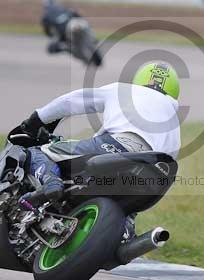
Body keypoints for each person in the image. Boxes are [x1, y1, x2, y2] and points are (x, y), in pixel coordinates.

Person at [10, 61, 181, 214]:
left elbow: (72, 101)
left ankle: (51, 183)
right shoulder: (174, 121)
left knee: (37, 153)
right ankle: (126, 232)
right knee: (127, 212)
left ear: (140, 79)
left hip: (116, 146)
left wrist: (36, 119)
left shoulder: (123, 89)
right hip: (157, 174)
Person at [41, 0, 102, 65]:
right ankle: (93, 39)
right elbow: (78, 15)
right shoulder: (64, 9)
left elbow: (47, 32)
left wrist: (55, 39)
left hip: (68, 30)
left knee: (74, 49)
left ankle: (86, 59)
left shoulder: (45, 16)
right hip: (77, 23)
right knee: (83, 27)